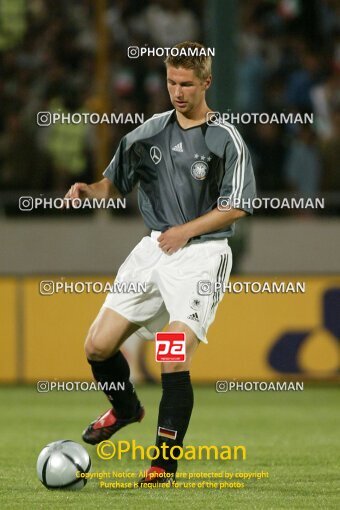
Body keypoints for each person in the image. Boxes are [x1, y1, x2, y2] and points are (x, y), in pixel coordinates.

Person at [64, 41, 256, 485]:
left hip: (202, 254)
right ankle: (126, 408)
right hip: (153, 249)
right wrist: (89, 191)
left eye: (187, 83)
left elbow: (237, 205)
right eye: (171, 81)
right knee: (96, 346)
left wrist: (186, 230)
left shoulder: (225, 138)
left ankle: (162, 466)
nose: (177, 91)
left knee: (171, 352)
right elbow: (113, 182)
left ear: (206, 82)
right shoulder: (148, 131)